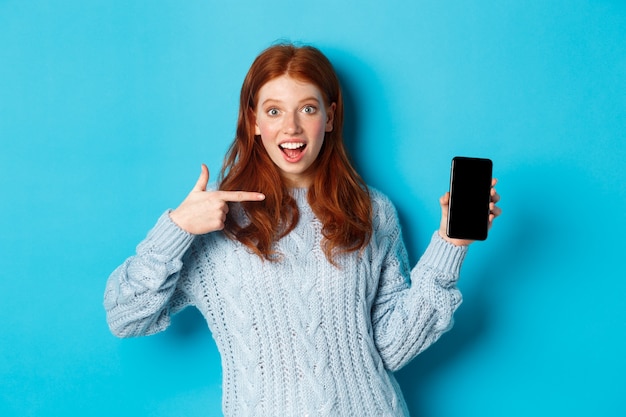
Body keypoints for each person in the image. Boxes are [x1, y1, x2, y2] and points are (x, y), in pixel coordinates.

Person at [104, 43, 501, 417]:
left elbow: (390, 349)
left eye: (307, 109)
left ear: (329, 117)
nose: (291, 128)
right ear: (253, 120)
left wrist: (450, 245)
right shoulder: (216, 220)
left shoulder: (371, 210)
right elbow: (125, 317)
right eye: (274, 111)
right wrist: (176, 228)